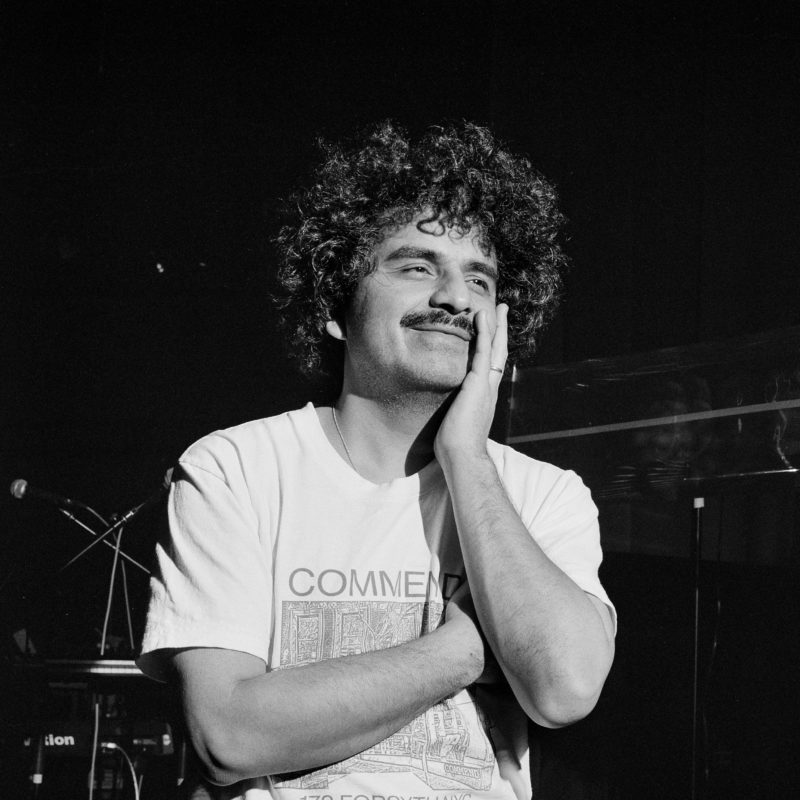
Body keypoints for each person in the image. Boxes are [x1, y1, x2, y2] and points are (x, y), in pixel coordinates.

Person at [138, 121, 616, 800]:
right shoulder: (236, 468)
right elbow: (228, 738)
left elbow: (564, 687)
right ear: (336, 306)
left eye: (478, 279)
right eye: (417, 266)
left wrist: (464, 454)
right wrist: (465, 648)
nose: (454, 298)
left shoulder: (544, 496)